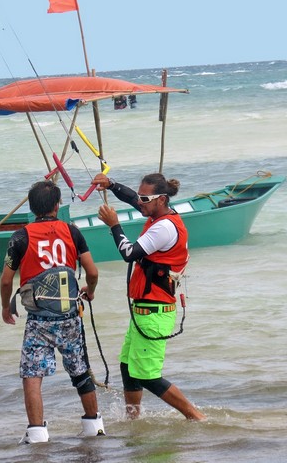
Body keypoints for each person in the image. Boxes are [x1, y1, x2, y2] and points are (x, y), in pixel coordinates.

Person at [92, 172, 206, 421]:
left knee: (147, 375)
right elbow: (133, 198)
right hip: (144, 310)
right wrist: (111, 185)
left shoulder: (164, 227)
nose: (140, 202)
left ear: (162, 199)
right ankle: (133, 419)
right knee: (128, 367)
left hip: (155, 312)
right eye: (141, 197)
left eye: (146, 198)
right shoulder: (157, 213)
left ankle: (195, 416)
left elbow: (129, 253)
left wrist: (114, 225)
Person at [0, 180, 106, 443]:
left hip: (38, 320)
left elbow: (6, 280)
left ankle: (37, 433)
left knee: (32, 375)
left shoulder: (20, 237)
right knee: (80, 371)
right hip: (69, 316)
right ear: (57, 205)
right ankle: (94, 426)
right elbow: (92, 272)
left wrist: (5, 306)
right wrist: (89, 291)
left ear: (32, 207)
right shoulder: (72, 231)